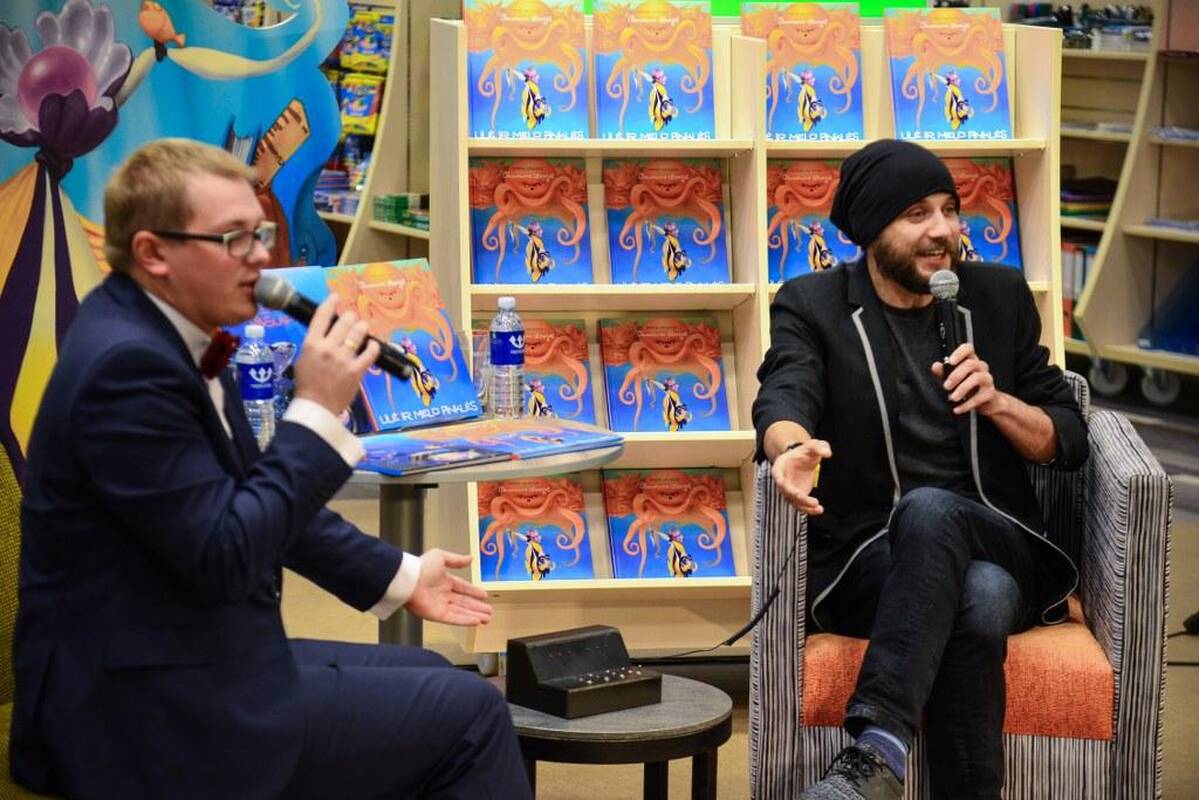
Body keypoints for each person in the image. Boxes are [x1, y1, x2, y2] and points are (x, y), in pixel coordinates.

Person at [10, 139, 532, 799]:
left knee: (434, 672)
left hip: (178, 652)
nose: (261, 256)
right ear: (152, 252)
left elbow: (251, 490)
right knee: (472, 716)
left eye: (258, 232)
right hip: (131, 711)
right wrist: (314, 410)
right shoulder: (128, 369)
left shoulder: (169, 327)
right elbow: (227, 554)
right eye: (233, 239)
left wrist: (399, 576)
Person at [753, 139, 1088, 800]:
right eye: (916, 214)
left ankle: (876, 751)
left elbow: (1067, 439)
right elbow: (785, 390)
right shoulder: (814, 305)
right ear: (870, 231)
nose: (942, 230)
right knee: (978, 598)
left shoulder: (996, 298)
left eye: (949, 209)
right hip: (869, 555)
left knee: (933, 512)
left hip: (997, 535)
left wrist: (998, 402)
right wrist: (789, 447)